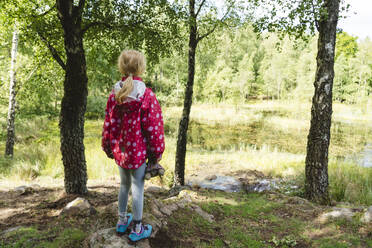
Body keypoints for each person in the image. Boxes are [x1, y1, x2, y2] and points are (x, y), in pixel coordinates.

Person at [101, 50, 165, 241]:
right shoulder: (146, 96)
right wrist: (156, 152)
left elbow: (108, 123)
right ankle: (137, 227)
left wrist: (107, 146)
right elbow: (154, 127)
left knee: (124, 185)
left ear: (121, 67)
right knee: (138, 187)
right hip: (138, 152)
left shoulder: (115, 95)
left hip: (121, 151)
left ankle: (122, 222)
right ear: (141, 68)